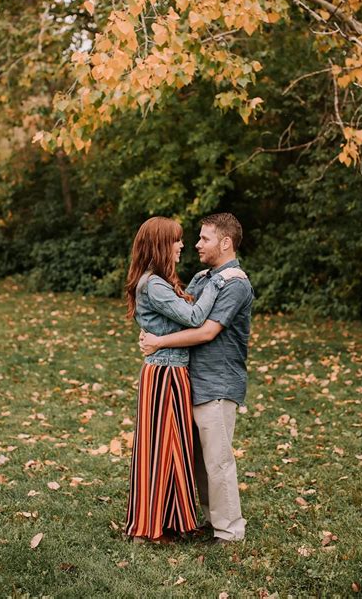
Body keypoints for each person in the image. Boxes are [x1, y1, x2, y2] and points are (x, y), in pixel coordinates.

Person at [125, 216, 245, 543]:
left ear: (225, 243)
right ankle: (167, 523)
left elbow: (203, 327)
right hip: (176, 376)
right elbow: (188, 309)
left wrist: (158, 341)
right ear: (162, 245)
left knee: (211, 459)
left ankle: (229, 531)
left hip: (213, 381)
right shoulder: (199, 279)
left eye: (203, 239)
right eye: (180, 239)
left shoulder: (234, 282)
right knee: (173, 452)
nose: (191, 244)